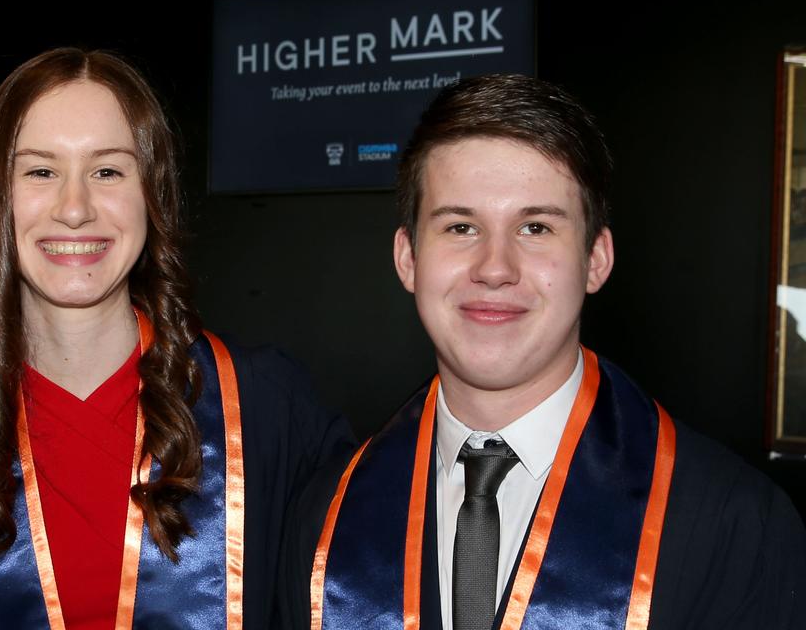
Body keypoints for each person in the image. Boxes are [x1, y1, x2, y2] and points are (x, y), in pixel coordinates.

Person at [283, 74, 806, 629]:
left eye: (535, 227)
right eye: (461, 226)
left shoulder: (731, 523)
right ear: (408, 258)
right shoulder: (326, 518)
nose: (495, 268)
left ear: (596, 260)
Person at [0, 48, 354, 629]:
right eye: (40, 171)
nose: (76, 208)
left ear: (151, 194)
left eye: (108, 170)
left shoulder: (261, 408)